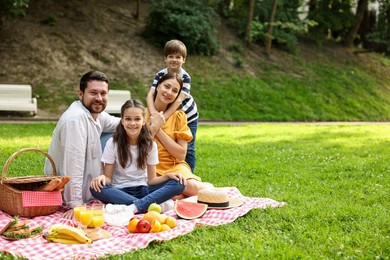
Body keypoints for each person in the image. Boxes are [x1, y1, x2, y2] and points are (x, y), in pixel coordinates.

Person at [44, 71, 120, 218]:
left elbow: (122, 124)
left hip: (92, 188)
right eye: (93, 93)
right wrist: (75, 205)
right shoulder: (75, 120)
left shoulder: (97, 115)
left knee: (122, 133)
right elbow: (73, 166)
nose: (99, 98)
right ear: (80, 94)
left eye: (103, 93)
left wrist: (145, 121)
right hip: (64, 193)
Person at [89, 99, 185, 213]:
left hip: (144, 189)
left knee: (179, 183)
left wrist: (168, 176)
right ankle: (145, 205)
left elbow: (152, 180)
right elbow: (108, 178)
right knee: (95, 188)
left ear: (144, 121)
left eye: (137, 119)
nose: (133, 123)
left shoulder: (150, 144)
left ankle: (132, 207)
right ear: (122, 121)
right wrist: (102, 178)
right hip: (120, 191)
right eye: (128, 119)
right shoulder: (112, 143)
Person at [148, 73, 213, 198]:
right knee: (174, 196)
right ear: (157, 87)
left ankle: (209, 189)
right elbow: (138, 149)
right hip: (151, 170)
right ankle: (182, 195)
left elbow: (181, 154)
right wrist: (153, 126)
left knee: (190, 187)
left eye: (174, 91)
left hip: (174, 166)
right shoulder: (141, 114)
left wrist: (158, 129)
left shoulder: (179, 116)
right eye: (166, 86)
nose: (169, 92)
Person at [146, 39, 199, 173]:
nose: (174, 60)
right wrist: (153, 113)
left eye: (178, 57)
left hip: (187, 114)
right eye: (171, 56)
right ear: (165, 58)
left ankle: (188, 173)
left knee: (189, 149)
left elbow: (178, 100)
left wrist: (162, 119)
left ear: (184, 60)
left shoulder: (185, 77)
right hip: (167, 112)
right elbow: (151, 93)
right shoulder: (160, 74)